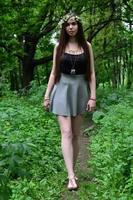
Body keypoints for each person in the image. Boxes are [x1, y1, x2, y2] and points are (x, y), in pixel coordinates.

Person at [43, 13, 96, 191]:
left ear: (78, 26)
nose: (71, 27)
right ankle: (71, 177)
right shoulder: (59, 46)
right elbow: (53, 72)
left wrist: (92, 96)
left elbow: (92, 73)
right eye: (67, 24)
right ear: (64, 28)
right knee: (65, 132)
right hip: (62, 89)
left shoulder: (86, 46)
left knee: (75, 134)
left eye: (74, 24)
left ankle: (71, 169)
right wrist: (47, 95)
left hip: (80, 89)